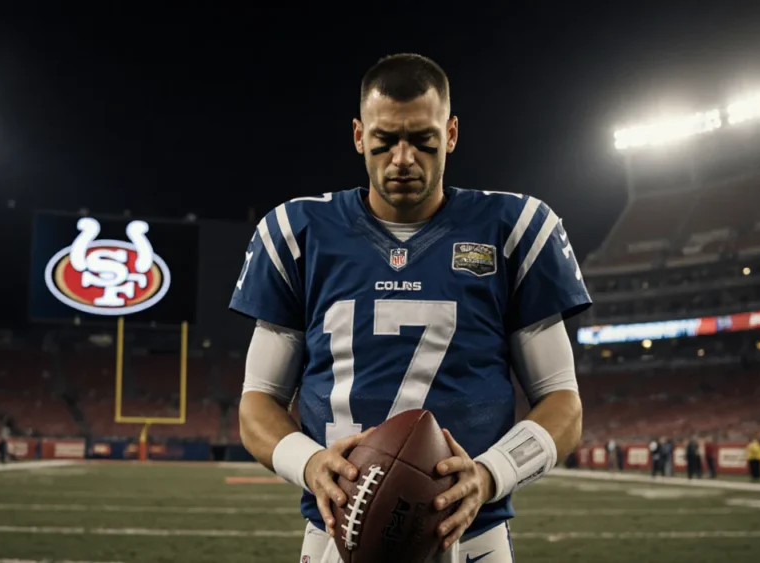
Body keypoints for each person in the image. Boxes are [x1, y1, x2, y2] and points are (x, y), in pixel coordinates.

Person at [232, 53, 591, 563]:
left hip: (472, 540)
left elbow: (564, 405)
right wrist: (312, 464)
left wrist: (488, 476)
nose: (402, 159)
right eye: (384, 141)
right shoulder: (296, 233)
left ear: (451, 134)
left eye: (423, 140)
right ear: (359, 136)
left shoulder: (514, 229)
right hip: (338, 538)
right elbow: (257, 404)